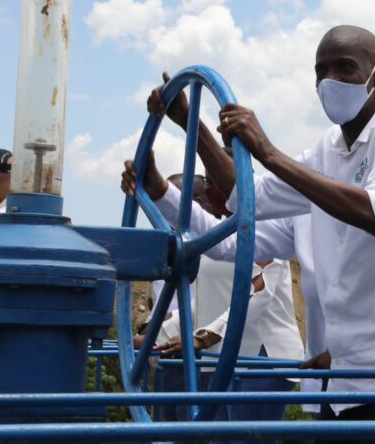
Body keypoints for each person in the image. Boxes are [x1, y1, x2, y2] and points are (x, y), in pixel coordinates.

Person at [147, 25, 375, 442]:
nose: (330, 80)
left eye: (345, 68)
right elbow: (250, 197)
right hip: (344, 383)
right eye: (321, 70)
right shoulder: (327, 149)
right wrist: (193, 126)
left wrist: (269, 153)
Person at [122, 160, 304, 435]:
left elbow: (257, 293)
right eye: (205, 182)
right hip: (225, 359)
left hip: (262, 360)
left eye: (211, 181)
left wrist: (204, 337)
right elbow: (202, 304)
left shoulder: (267, 230)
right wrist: (155, 337)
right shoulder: (220, 237)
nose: (207, 190)